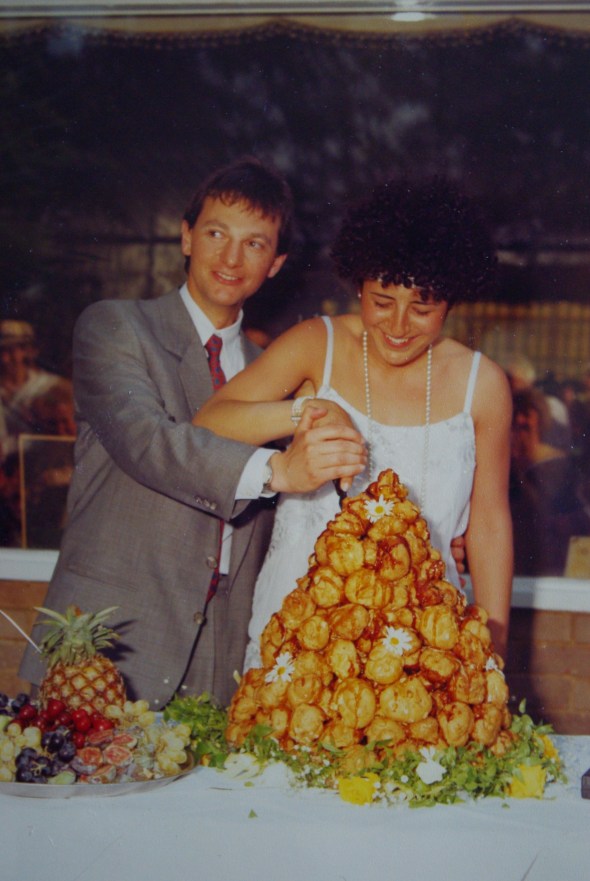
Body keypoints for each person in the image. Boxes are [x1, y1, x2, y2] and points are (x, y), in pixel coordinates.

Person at [19, 157, 367, 708]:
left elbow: (306, 503)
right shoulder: (115, 327)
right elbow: (149, 441)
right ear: (185, 237)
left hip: (223, 661)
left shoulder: (275, 375)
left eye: (255, 244)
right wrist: (279, 465)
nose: (231, 258)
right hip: (111, 647)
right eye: (216, 233)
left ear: (275, 264)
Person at [195, 178, 514, 662]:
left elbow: (489, 521)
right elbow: (209, 422)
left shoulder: (483, 385)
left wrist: (497, 641)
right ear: (358, 285)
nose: (399, 326)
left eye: (423, 308)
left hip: (422, 641)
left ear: (451, 302)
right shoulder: (315, 344)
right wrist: (306, 411)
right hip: (299, 629)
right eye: (382, 302)